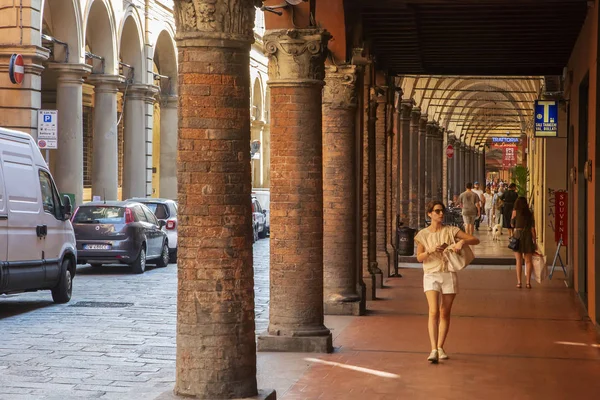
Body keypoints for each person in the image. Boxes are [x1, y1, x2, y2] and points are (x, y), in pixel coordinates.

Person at [415, 201, 480, 363]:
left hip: (448, 273)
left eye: (442, 211)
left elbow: (475, 240)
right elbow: (419, 257)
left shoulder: (451, 231)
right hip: (431, 274)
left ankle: (440, 347)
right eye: (437, 211)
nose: (441, 214)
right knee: (433, 311)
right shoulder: (423, 234)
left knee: (445, 312)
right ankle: (432, 349)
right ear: (429, 214)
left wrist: (461, 242)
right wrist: (429, 251)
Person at [511, 197, 537, 289]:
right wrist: (535, 241)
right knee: (528, 261)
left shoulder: (515, 212)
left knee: (518, 261)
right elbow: (533, 229)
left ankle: (519, 282)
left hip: (517, 235)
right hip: (528, 236)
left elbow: (512, 224)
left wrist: (513, 218)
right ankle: (528, 283)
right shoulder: (530, 213)